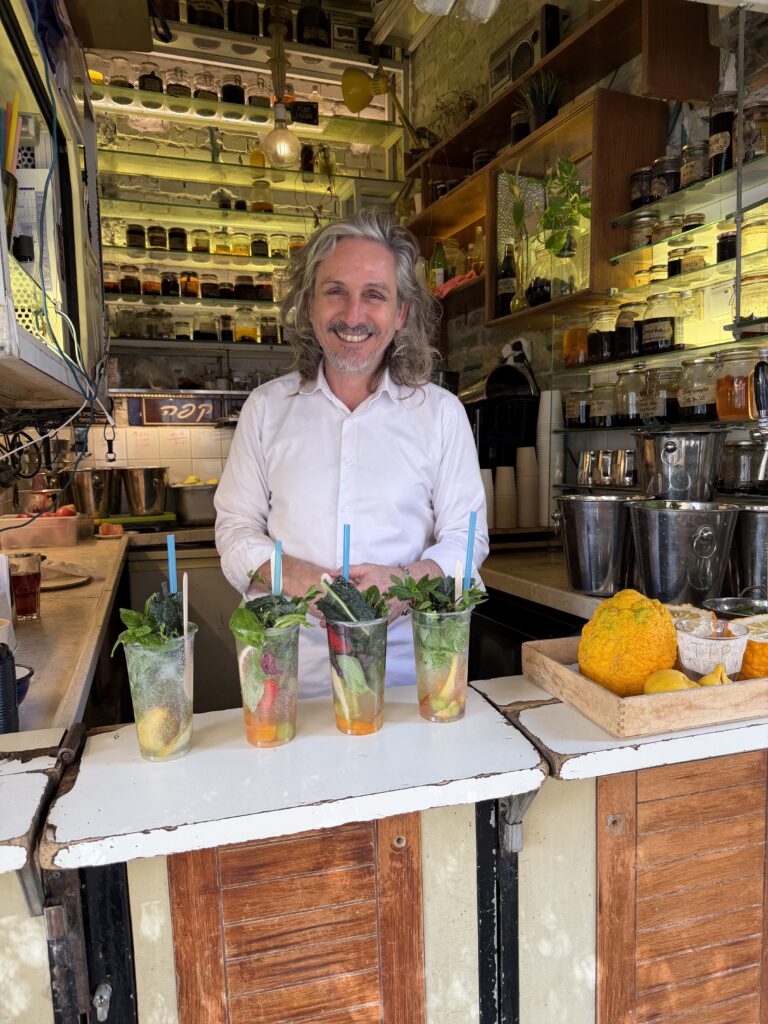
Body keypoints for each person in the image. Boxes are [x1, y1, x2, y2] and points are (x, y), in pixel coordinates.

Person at [215, 210, 488, 697]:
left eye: (375, 295)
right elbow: (234, 529)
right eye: (335, 291)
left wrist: (402, 584)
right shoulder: (266, 409)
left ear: (400, 313)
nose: (354, 315)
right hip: (283, 678)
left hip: (409, 680)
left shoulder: (441, 415)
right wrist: (297, 578)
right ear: (310, 305)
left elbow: (466, 541)